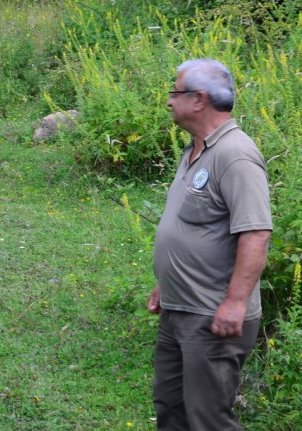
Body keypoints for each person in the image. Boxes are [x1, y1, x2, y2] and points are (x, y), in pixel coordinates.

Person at [148, 58, 273, 430]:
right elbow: (189, 226)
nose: (169, 100)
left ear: (199, 99)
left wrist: (235, 303)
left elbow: (256, 233)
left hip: (212, 315)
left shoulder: (235, 155)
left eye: (175, 92)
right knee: (170, 407)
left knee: (208, 419)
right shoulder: (195, 151)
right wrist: (164, 283)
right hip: (179, 308)